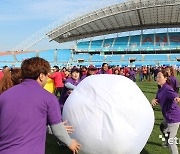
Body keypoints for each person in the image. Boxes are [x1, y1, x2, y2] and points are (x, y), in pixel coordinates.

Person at [0, 57, 81, 154]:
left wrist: (47, 128)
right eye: (47, 75)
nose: (47, 78)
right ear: (41, 76)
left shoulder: (5, 95)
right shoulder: (48, 98)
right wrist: (70, 143)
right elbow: (58, 130)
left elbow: (23, 122)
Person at [151, 69, 180, 154]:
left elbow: (175, 96)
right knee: (162, 127)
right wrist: (154, 100)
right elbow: (158, 98)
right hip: (167, 116)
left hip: (173, 117)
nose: (157, 78)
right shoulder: (160, 88)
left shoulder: (167, 88)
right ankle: (167, 142)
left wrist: (177, 99)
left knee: (172, 139)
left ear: (165, 78)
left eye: (160, 77)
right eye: (157, 77)